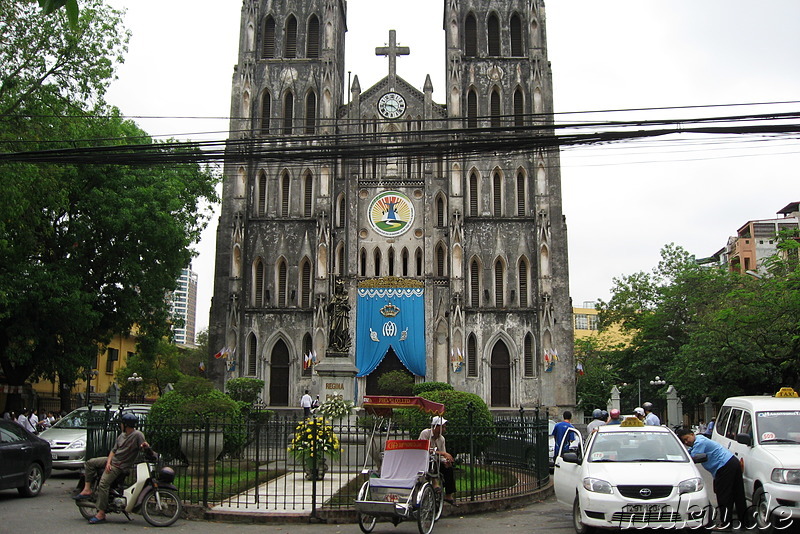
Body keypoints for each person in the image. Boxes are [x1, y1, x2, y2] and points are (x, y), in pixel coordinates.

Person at [73, 413, 149, 524]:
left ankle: (101, 514)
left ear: (126, 424)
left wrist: (145, 447)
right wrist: (108, 463)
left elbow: (144, 445)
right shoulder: (121, 436)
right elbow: (113, 451)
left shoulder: (137, 435)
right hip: (113, 462)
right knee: (90, 463)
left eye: (122, 423)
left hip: (120, 466)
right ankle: (87, 489)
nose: (120, 425)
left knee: (103, 484)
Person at [676, 428, 747, 530]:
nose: (687, 442)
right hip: (731, 462)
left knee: (724, 496)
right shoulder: (699, 440)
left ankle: (726, 524)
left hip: (724, 466)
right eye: (684, 441)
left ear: (692, 434)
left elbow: (692, 458)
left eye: (687, 439)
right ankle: (744, 522)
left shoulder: (700, 442)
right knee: (737, 494)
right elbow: (688, 453)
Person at [419, 416, 457, 506]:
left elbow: (442, 455)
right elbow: (424, 449)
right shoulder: (425, 434)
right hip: (425, 460)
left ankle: (448, 495)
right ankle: (435, 483)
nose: (444, 429)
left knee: (448, 469)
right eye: (442, 426)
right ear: (436, 427)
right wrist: (442, 453)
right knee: (432, 460)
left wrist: (445, 461)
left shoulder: (441, 439)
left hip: (437, 461)